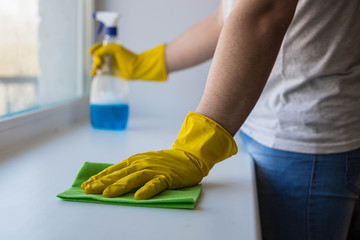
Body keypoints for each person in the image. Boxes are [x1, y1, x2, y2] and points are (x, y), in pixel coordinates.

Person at [81, 0, 360, 239]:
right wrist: (146, 63)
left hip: (305, 139)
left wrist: (195, 147)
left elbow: (266, 11)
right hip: (257, 125)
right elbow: (226, 17)